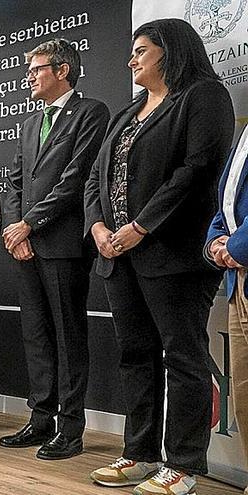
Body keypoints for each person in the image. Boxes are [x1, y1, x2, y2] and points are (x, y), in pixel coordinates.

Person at [85, 19, 234, 495]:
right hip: (117, 255)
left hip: (173, 254)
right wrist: (101, 228)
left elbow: (197, 171)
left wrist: (139, 227)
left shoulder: (203, 96)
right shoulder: (127, 112)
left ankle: (185, 465)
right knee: (134, 355)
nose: (132, 59)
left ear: (170, 52)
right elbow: (96, 179)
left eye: (142, 50)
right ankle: (140, 453)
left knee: (184, 355)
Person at [0, 39, 110, 460]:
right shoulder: (29, 123)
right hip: (24, 244)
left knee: (67, 336)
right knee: (36, 336)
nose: (29, 76)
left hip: (62, 245)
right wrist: (15, 227)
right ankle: (40, 418)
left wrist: (30, 223)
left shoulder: (91, 113)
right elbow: (14, 181)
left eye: (36, 69)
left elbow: (77, 178)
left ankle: (71, 428)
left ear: (62, 70)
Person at [207, 125, 248, 495]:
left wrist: (236, 246)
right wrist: (214, 243)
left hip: (242, 260)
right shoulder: (243, 134)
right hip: (238, 281)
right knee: (245, 389)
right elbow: (226, 203)